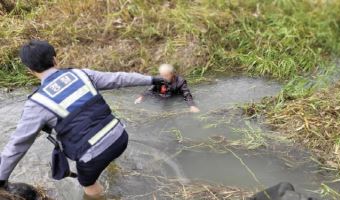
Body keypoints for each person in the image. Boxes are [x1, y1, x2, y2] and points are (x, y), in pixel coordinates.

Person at [0, 40, 165, 199]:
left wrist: (1, 178)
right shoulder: (81, 74)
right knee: (104, 152)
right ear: (54, 59)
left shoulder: (36, 104)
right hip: (120, 137)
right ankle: (112, 168)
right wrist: (153, 79)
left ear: (30, 69)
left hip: (93, 155)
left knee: (88, 184)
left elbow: (17, 145)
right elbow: (118, 78)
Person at [134, 64, 200, 113]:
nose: (163, 78)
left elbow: (186, 94)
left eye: (166, 75)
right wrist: (142, 97)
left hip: (174, 99)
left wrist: (192, 106)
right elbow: (150, 90)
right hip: (160, 98)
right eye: (162, 75)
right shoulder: (159, 79)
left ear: (172, 74)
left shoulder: (180, 81)